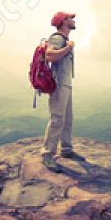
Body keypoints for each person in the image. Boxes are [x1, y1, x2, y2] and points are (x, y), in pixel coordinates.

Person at [41, 11, 83, 169]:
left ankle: (66, 149)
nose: (73, 20)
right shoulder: (57, 38)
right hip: (59, 85)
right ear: (64, 22)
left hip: (65, 84)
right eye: (70, 18)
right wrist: (68, 48)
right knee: (57, 119)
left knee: (67, 119)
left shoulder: (64, 39)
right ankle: (47, 155)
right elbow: (49, 55)